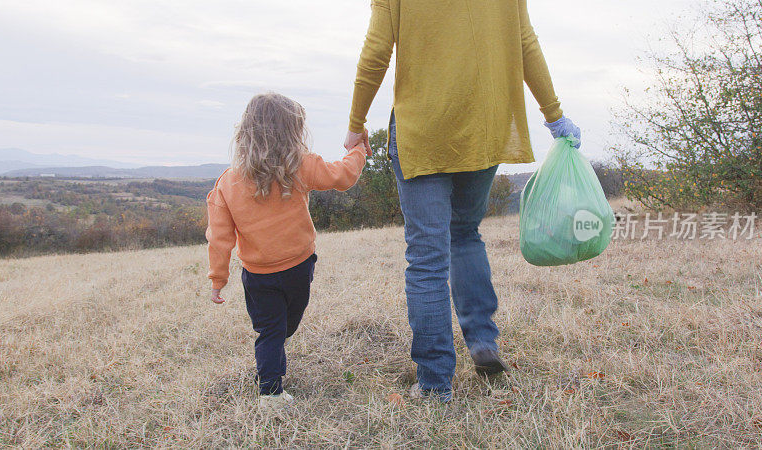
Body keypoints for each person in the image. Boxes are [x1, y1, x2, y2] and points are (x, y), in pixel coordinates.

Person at [344, 0, 582, 401]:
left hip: (424, 125)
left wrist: (356, 123)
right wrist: (554, 115)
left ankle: (436, 383)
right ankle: (483, 342)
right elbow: (525, 42)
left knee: (426, 257)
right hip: (485, 123)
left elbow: (376, 51)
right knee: (466, 233)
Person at [206, 92, 368, 408]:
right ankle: (270, 392)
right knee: (273, 331)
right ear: (291, 130)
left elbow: (338, 175)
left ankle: (270, 369)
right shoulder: (230, 183)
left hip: (283, 270)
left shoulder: (298, 165)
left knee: (278, 330)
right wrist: (359, 149)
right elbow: (220, 239)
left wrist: (357, 152)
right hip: (280, 271)